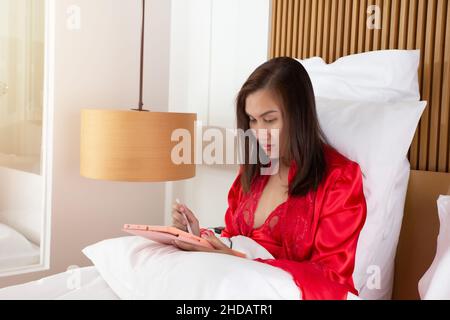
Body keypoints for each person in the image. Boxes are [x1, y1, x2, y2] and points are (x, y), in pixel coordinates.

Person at [171, 57, 367, 300]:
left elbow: (331, 277)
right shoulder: (254, 169)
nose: (259, 132)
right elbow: (233, 239)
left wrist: (242, 261)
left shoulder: (339, 179)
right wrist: (200, 238)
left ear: (298, 115)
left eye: (270, 119)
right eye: (252, 120)